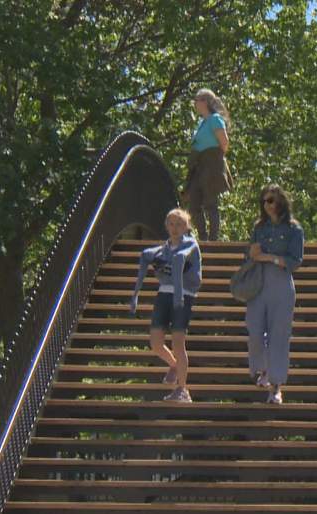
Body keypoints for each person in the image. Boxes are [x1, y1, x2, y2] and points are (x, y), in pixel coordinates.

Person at [129, 208, 203, 403]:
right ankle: (174, 365)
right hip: (164, 294)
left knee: (178, 342)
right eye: (171, 224)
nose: (175, 228)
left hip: (184, 296)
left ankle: (182, 389)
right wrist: (135, 295)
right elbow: (147, 256)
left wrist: (179, 295)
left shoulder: (191, 244)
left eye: (179, 224)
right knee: (155, 342)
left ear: (186, 227)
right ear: (166, 226)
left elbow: (181, 257)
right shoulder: (165, 248)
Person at [245, 185, 304, 404]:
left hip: (281, 282)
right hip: (258, 282)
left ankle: (276, 386)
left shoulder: (293, 228)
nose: (267, 205)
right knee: (254, 330)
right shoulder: (259, 227)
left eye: (271, 200)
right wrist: (251, 254)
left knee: (279, 335)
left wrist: (271, 258)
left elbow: (295, 261)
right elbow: (249, 256)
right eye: (264, 201)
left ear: (281, 201)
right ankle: (262, 369)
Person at [184, 88, 232, 240]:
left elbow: (224, 143)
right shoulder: (202, 123)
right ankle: (203, 237)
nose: (195, 103)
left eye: (197, 100)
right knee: (194, 203)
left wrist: (215, 162)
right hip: (198, 165)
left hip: (211, 163)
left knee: (211, 202)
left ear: (205, 102)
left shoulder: (215, 119)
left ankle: (213, 239)